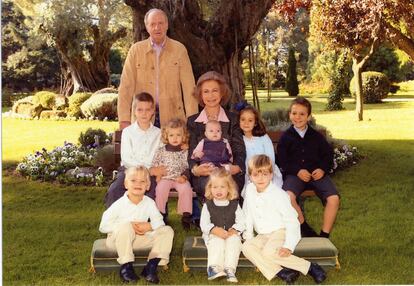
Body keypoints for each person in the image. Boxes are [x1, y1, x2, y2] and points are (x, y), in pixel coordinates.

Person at [242, 155, 327, 284]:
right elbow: (247, 213)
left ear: (271, 175)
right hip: (263, 234)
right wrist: (248, 236)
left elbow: (292, 221)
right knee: (247, 247)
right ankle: (282, 272)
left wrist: (288, 245)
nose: (260, 178)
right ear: (250, 176)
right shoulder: (249, 190)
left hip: (280, 231)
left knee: (268, 253)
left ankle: (309, 267)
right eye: (256, 175)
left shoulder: (279, 195)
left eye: (265, 174)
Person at [117, 8, 198, 129]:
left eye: (161, 23)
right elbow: (126, 87)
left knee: (173, 149)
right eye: (153, 24)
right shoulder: (135, 50)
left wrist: (192, 119)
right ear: (147, 26)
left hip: (173, 119)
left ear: (167, 25)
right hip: (142, 118)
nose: (157, 27)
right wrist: (124, 119)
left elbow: (189, 87)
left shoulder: (179, 50)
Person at [277, 97, 340, 238]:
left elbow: (328, 156)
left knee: (334, 198)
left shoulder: (316, 137)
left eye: (302, 114)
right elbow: (282, 161)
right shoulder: (286, 138)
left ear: (309, 116)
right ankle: (304, 227)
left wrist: (323, 169)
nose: (297, 117)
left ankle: (324, 236)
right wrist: (297, 171)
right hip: (295, 176)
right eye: (294, 113)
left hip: (317, 175)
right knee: (287, 197)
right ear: (289, 115)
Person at [99, 166, 174, 284]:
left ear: (148, 186)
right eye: (133, 180)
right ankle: (126, 267)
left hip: (140, 240)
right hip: (118, 241)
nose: (138, 184)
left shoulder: (149, 203)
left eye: (142, 181)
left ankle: (151, 267)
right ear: (125, 184)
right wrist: (127, 226)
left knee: (167, 230)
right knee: (125, 226)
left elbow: (159, 222)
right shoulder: (119, 204)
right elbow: (103, 226)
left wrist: (149, 226)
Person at [187, 71, 246, 208]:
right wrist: (196, 169)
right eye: (206, 92)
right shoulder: (193, 121)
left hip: (229, 171)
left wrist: (237, 167)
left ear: (222, 93)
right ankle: (215, 223)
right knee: (210, 185)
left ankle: (230, 222)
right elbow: (191, 152)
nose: (211, 96)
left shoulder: (233, 119)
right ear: (200, 95)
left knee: (228, 185)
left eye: (215, 91)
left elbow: (239, 149)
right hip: (205, 173)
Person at [104, 92, 166, 208]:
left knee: (151, 192)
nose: (144, 113)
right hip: (129, 171)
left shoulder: (159, 134)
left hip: (150, 174)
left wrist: (150, 171)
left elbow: (160, 156)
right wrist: (148, 169)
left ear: (153, 112)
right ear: (134, 111)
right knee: (115, 190)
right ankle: (115, 220)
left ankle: (151, 220)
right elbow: (127, 159)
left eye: (148, 110)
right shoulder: (128, 132)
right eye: (140, 110)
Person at [200, 168, 245, 283]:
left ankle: (230, 269)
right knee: (217, 242)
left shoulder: (235, 204)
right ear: (210, 188)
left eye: (222, 187)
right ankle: (214, 268)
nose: (218, 190)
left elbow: (241, 221)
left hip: (231, 233)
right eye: (215, 187)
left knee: (234, 242)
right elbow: (204, 223)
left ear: (229, 188)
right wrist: (213, 230)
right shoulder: (208, 205)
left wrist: (234, 230)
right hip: (213, 235)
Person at [151, 118, 193, 229]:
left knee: (186, 189)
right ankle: (161, 215)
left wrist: (184, 176)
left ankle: (186, 216)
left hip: (179, 178)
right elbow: (155, 164)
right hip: (165, 178)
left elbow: (188, 166)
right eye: (171, 135)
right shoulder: (161, 150)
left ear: (183, 136)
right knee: (160, 189)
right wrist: (158, 175)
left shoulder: (185, 151)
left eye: (178, 135)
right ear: (166, 136)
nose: (175, 138)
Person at [238, 105, 283, 193]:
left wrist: (264, 174)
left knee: (269, 193)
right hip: (250, 175)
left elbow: (271, 159)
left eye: (250, 120)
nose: (246, 123)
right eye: (243, 119)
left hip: (268, 173)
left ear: (255, 123)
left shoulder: (263, 138)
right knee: (251, 191)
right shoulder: (239, 140)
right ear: (238, 121)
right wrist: (253, 175)